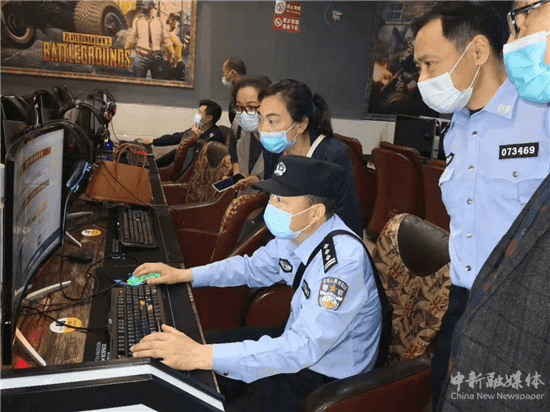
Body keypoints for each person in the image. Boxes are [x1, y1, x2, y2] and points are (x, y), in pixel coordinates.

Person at [130, 155, 382, 412]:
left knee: (206, 373)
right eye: (272, 197)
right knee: (193, 351)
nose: (272, 206)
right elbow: (249, 267)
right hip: (295, 338)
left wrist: (201, 355)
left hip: (325, 372)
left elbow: (303, 349)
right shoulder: (298, 231)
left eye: (282, 200)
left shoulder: (343, 264)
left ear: (316, 212)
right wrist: (185, 275)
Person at [411, 2, 550, 409]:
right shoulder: (458, 129)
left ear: (476, 51)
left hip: (521, 311)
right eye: (419, 68)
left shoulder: (539, 113)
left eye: (430, 64)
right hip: (461, 301)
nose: (422, 80)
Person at [257, 79, 364, 237]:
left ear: (301, 124)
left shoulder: (332, 155)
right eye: (260, 119)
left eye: (272, 121)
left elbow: (344, 215)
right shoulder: (274, 151)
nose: (263, 129)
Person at [138, 99, 224, 168]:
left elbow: (200, 156)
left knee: (177, 152)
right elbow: (177, 137)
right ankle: (152, 165)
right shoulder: (198, 128)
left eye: (200, 112)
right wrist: (152, 141)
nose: (197, 114)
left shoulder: (215, 136)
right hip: (184, 165)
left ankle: (153, 167)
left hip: (193, 172)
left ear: (209, 118)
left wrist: (194, 137)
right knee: (176, 152)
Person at [226, 74, 271, 195]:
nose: (244, 114)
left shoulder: (280, 137)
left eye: (251, 107)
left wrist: (258, 180)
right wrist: (237, 174)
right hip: (243, 196)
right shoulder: (238, 125)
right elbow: (234, 155)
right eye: (239, 107)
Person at [124, 1, 177, 79]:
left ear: (152, 8)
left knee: (158, 83)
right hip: (141, 57)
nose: (143, 11)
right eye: (142, 9)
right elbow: (131, 38)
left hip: (157, 58)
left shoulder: (160, 21)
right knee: (138, 83)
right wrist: (124, 52)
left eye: (146, 9)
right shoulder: (137, 20)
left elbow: (167, 40)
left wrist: (173, 55)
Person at [222, 58, 247, 124]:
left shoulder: (247, 90)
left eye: (224, 72)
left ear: (232, 73)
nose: (223, 75)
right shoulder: (234, 88)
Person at [164, 13, 186, 81]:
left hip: (179, 63)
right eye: (174, 19)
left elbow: (177, 47)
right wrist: (173, 60)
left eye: (177, 20)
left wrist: (182, 46)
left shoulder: (174, 33)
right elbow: (169, 47)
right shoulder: (167, 33)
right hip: (171, 64)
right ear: (170, 20)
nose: (176, 22)